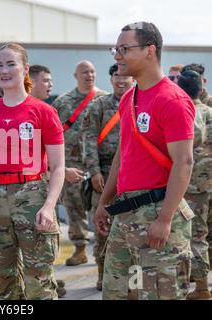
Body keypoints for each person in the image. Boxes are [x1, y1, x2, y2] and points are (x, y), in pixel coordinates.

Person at [95, 21, 195, 300]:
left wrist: (165, 219)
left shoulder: (172, 100)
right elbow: (122, 155)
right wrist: (105, 202)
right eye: (115, 49)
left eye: (124, 49)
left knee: (159, 294)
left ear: (150, 50)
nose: (117, 55)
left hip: (157, 213)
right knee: (116, 294)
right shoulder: (129, 97)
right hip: (125, 216)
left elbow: (184, 162)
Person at [0, 43, 65, 300]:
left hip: (32, 196)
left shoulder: (44, 111)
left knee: (39, 282)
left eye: (11, 64)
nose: (4, 70)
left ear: (25, 69)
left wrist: (49, 205)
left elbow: (57, 167)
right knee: (3, 282)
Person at [81, 63, 133, 291]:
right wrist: (93, 171)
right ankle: (103, 274)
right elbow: (89, 138)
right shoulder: (99, 105)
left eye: (125, 76)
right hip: (103, 175)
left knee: (133, 228)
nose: (121, 81)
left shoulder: (139, 102)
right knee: (103, 226)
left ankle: (132, 280)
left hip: (133, 175)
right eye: (116, 76)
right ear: (111, 79)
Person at [52, 60, 107, 266]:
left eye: (92, 71)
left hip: (98, 165)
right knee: (74, 207)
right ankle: (80, 248)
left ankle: (102, 252)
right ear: (76, 76)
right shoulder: (63, 101)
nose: (89, 75)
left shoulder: (104, 99)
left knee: (99, 207)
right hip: (72, 164)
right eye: (84, 72)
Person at [29, 64, 66, 298]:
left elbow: (50, 158)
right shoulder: (30, 111)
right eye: (46, 80)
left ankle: (47, 283)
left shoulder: (45, 110)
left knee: (43, 250)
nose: (50, 85)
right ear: (30, 82)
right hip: (22, 191)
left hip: (42, 187)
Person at [177, 70, 212, 300]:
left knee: (190, 237)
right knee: (203, 235)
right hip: (207, 184)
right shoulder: (209, 112)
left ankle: (200, 288)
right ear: (201, 88)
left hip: (188, 186)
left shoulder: (183, 112)